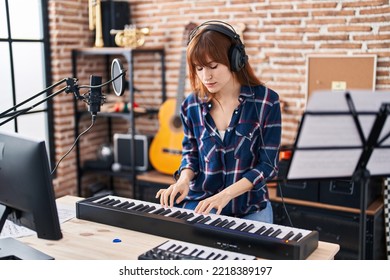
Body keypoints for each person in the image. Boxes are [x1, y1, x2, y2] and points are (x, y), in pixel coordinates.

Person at [155, 20, 281, 223]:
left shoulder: (267, 101)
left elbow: (268, 165)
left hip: (249, 206)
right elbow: (191, 154)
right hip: (202, 204)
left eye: (213, 66)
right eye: (199, 68)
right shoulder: (191, 104)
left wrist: (225, 195)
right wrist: (183, 180)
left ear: (235, 60)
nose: (206, 76)